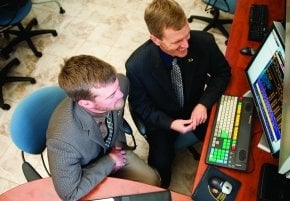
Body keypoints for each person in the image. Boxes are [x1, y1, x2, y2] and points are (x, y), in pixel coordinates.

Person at [125, 0, 231, 188]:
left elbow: (222, 73)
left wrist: (203, 104)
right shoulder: (137, 66)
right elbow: (142, 107)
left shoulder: (204, 42)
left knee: (228, 143)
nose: (186, 45)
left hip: (196, 107)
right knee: (159, 170)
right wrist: (170, 123)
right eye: (176, 42)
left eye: (187, 35)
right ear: (156, 39)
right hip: (162, 120)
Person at [46, 55, 160, 201]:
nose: (120, 95)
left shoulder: (121, 84)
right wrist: (110, 161)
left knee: (152, 181)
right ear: (86, 104)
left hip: (115, 148)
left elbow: (118, 111)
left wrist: (118, 147)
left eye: (117, 88)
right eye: (111, 95)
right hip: (88, 171)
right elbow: (70, 194)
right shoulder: (63, 141)